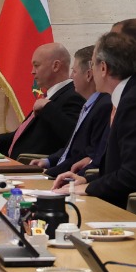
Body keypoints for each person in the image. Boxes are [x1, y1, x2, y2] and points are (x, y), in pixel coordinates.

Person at [53, 32, 136, 206]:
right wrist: (86, 181)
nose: (92, 72)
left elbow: (134, 175)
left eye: (93, 64)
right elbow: (122, 168)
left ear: (103, 68)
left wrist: (89, 188)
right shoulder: (135, 92)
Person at [0, 43, 81, 159]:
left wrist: (48, 107)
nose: (32, 71)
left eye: (36, 65)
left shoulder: (73, 96)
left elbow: (75, 136)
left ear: (55, 66)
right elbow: (28, 136)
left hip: (36, 166)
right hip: (16, 163)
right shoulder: (49, 96)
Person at [41, 46, 110, 177]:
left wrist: (48, 173)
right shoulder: (89, 105)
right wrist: (48, 161)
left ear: (88, 75)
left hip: (72, 176)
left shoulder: (103, 106)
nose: (71, 77)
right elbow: (71, 149)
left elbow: (84, 155)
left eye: (74, 71)